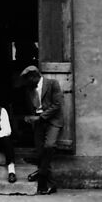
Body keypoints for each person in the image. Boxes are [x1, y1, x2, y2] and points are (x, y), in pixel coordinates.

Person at [20, 65, 64, 195]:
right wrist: (29, 118)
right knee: (41, 152)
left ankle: (41, 173)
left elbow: (57, 105)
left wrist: (40, 118)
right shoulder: (29, 89)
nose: (26, 82)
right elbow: (31, 108)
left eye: (27, 79)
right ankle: (50, 185)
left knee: (49, 146)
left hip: (53, 121)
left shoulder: (52, 84)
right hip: (39, 124)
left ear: (34, 76)